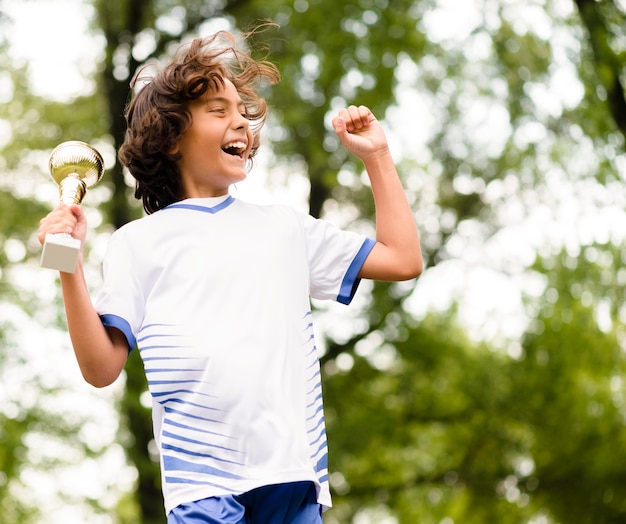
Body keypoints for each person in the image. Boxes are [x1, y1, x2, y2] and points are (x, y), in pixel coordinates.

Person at [38, 30, 422, 524]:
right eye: (219, 110)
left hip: (293, 477)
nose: (240, 119)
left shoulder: (284, 228)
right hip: (201, 487)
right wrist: (67, 266)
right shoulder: (138, 244)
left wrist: (377, 157)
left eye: (242, 111)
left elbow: (403, 258)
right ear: (173, 137)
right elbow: (100, 368)